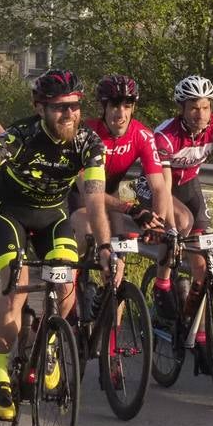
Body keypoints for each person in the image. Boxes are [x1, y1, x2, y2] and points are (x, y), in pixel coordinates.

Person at [0, 69, 110, 420]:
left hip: (53, 217)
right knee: (14, 290)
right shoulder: (20, 135)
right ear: (40, 108)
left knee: (66, 281)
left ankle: (50, 342)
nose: (69, 114)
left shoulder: (89, 143)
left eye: (74, 106)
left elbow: (95, 202)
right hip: (11, 214)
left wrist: (104, 247)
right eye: (59, 108)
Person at [152, 75, 213, 331]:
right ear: (181, 108)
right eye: (194, 107)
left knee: (202, 266)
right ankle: (161, 284)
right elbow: (163, 186)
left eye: (206, 107)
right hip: (158, 185)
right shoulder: (166, 134)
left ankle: (196, 330)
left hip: (189, 185)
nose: (201, 113)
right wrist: (171, 228)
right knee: (181, 222)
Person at [70, 75, 167, 296]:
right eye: (114, 105)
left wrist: (158, 223)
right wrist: (130, 209)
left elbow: (159, 188)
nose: (121, 113)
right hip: (79, 196)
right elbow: (88, 190)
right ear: (103, 107)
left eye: (127, 105)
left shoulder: (142, 135)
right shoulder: (85, 133)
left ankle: (111, 322)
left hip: (111, 195)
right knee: (86, 234)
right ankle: (71, 293)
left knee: (119, 267)